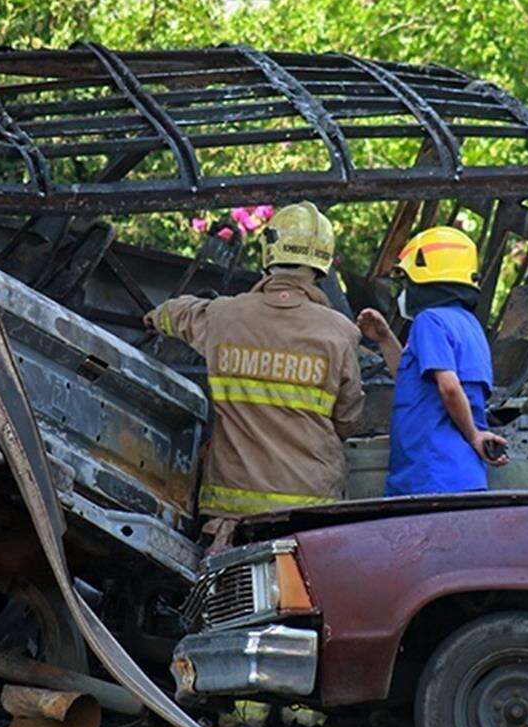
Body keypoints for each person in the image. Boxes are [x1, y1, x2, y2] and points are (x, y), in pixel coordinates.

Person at [145, 203, 365, 550]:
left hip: (229, 513)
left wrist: (155, 317)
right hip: (307, 509)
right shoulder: (340, 332)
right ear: (322, 261)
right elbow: (349, 420)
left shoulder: (223, 315)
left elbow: (177, 313)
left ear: (270, 249)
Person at [357, 226, 507, 496]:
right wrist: (384, 337)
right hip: (462, 477)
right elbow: (412, 380)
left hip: (428, 476)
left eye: (408, 282)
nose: (405, 290)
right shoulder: (469, 325)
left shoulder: (430, 321)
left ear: (424, 282)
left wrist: (473, 435)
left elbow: (449, 387)